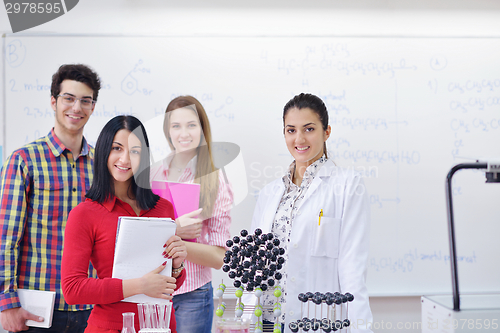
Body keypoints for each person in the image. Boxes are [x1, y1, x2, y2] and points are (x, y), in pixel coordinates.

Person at [249, 93, 373, 332]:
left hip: (315, 319)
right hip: (267, 320)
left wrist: (360, 327)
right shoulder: (269, 193)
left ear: (327, 132)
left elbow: (352, 268)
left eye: (309, 129)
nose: (299, 138)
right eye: (291, 130)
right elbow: (256, 265)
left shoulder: (347, 185)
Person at [61, 115, 187, 333]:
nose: (126, 159)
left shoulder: (163, 208)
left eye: (135, 151)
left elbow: (168, 285)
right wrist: (139, 286)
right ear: (103, 152)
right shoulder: (84, 214)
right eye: (117, 148)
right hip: (111, 326)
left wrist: (177, 265)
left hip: (161, 326)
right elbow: (73, 289)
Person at [0, 64, 101, 333]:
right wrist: (6, 303)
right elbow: (6, 238)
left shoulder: (102, 166)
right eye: (68, 98)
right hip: (38, 308)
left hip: (92, 306)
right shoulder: (23, 161)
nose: (76, 107)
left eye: (85, 100)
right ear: (54, 102)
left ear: (93, 107)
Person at [150, 96, 233, 333]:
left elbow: (220, 257)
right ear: (167, 131)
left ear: (202, 129)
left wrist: (178, 245)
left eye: (191, 125)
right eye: (176, 126)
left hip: (193, 295)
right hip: (154, 289)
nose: (183, 133)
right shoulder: (153, 174)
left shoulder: (216, 179)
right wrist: (174, 229)